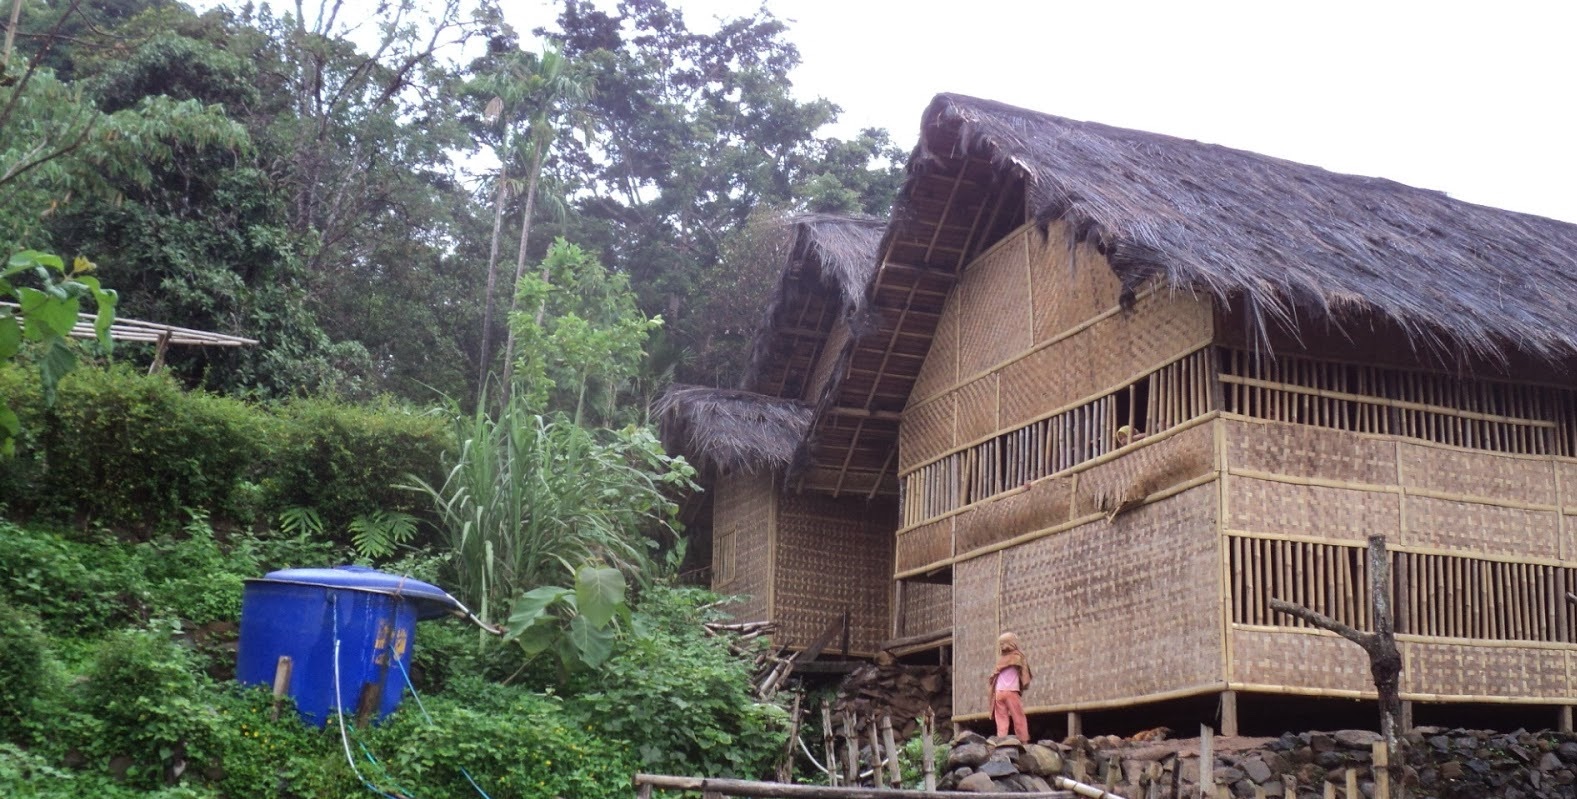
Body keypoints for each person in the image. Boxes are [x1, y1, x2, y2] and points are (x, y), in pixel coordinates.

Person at [988, 631, 1032, 741]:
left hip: (998, 692)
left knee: (1001, 718)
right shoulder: (1018, 657)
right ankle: (1023, 740)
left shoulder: (1000, 660)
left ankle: (1001, 740)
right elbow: (1025, 675)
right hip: (1011, 691)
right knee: (1018, 717)